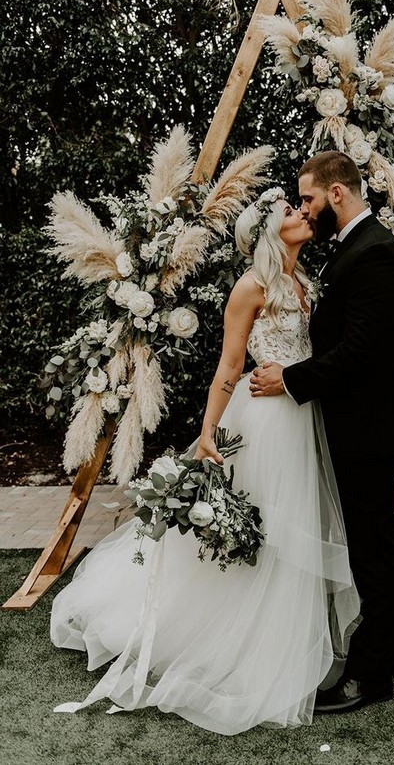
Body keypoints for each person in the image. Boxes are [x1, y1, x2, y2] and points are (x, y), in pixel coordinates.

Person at [50, 187, 359, 735]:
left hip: (300, 415)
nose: (303, 213)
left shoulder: (303, 280)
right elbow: (230, 363)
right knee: (264, 524)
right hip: (263, 421)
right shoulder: (250, 287)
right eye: (291, 210)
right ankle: (237, 636)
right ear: (268, 228)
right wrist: (208, 430)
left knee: (291, 523)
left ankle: (283, 629)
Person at [251, 152, 394, 714]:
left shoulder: (374, 255)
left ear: (337, 194)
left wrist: (289, 380)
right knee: (379, 538)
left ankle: (370, 675)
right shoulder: (353, 248)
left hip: (365, 423)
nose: (305, 209)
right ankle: (393, 648)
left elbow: (360, 353)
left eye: (310, 199)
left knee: (373, 544)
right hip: (357, 419)